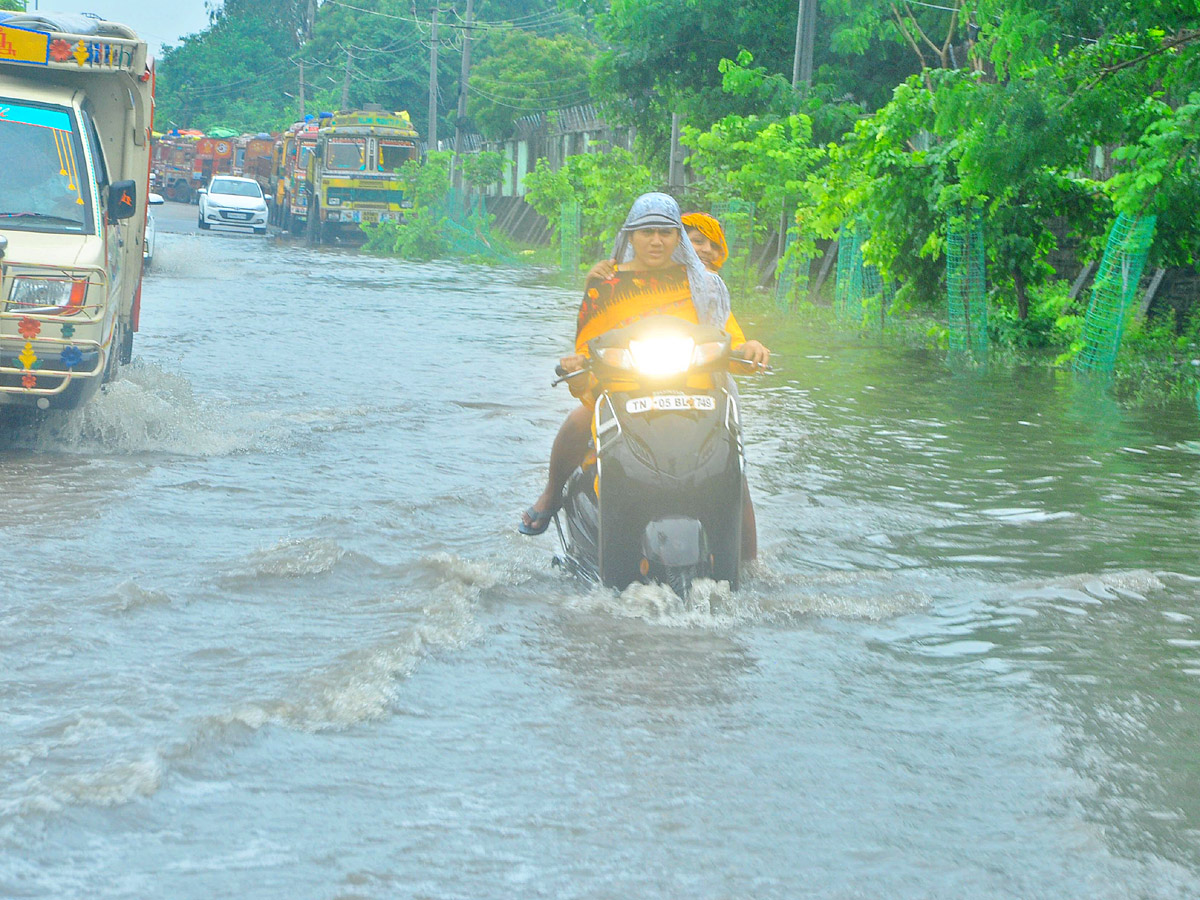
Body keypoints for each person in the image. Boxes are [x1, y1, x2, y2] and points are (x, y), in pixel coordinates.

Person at [520, 193, 769, 561]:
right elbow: (586, 354)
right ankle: (552, 494)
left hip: (695, 391)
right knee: (579, 420)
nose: (656, 241)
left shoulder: (705, 286)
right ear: (630, 236)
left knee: (734, 476)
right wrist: (576, 368)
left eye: (666, 233)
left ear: (677, 238)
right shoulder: (604, 286)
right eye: (647, 232)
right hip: (623, 389)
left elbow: (728, 340)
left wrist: (750, 349)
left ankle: (749, 569)